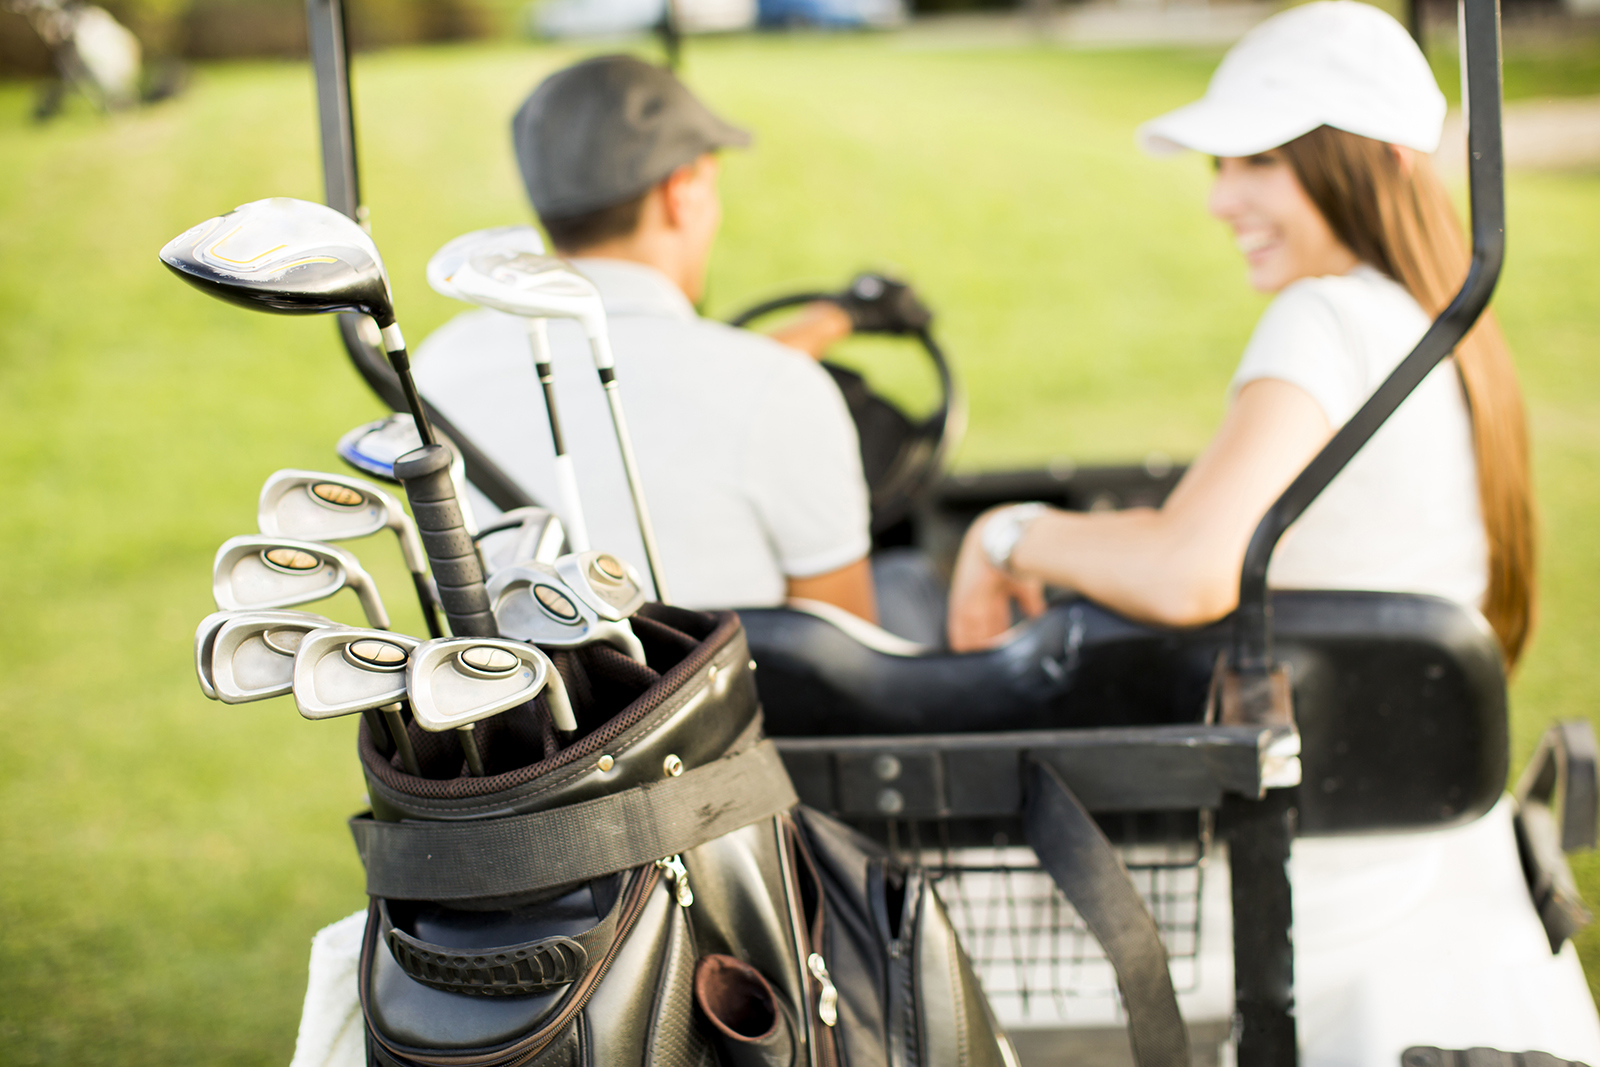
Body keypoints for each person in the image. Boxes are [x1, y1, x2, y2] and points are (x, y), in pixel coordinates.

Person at [946, 0, 1534, 673]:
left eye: (1262, 161)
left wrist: (1003, 535)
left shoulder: (1327, 317)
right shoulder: (1419, 320)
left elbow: (1186, 570)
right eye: (1220, 167)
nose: (1220, 202)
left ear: (1387, 161)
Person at [414, 54, 876, 619]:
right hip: (740, 702)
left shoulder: (435, 372)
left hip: (536, 703)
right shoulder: (779, 390)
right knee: (910, 581)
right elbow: (846, 656)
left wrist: (829, 322)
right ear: (682, 191)